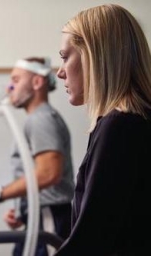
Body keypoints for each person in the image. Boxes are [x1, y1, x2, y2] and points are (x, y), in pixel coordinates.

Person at [54, 3, 151, 256]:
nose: (60, 72)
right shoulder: (133, 121)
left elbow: (91, 240)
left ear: (93, 55)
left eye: (65, 57)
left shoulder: (120, 127)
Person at [0, 56, 75, 256]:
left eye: (15, 80)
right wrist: (24, 210)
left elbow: (48, 173)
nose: (8, 88)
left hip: (49, 219)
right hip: (41, 216)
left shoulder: (41, 120)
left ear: (37, 82)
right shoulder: (38, 119)